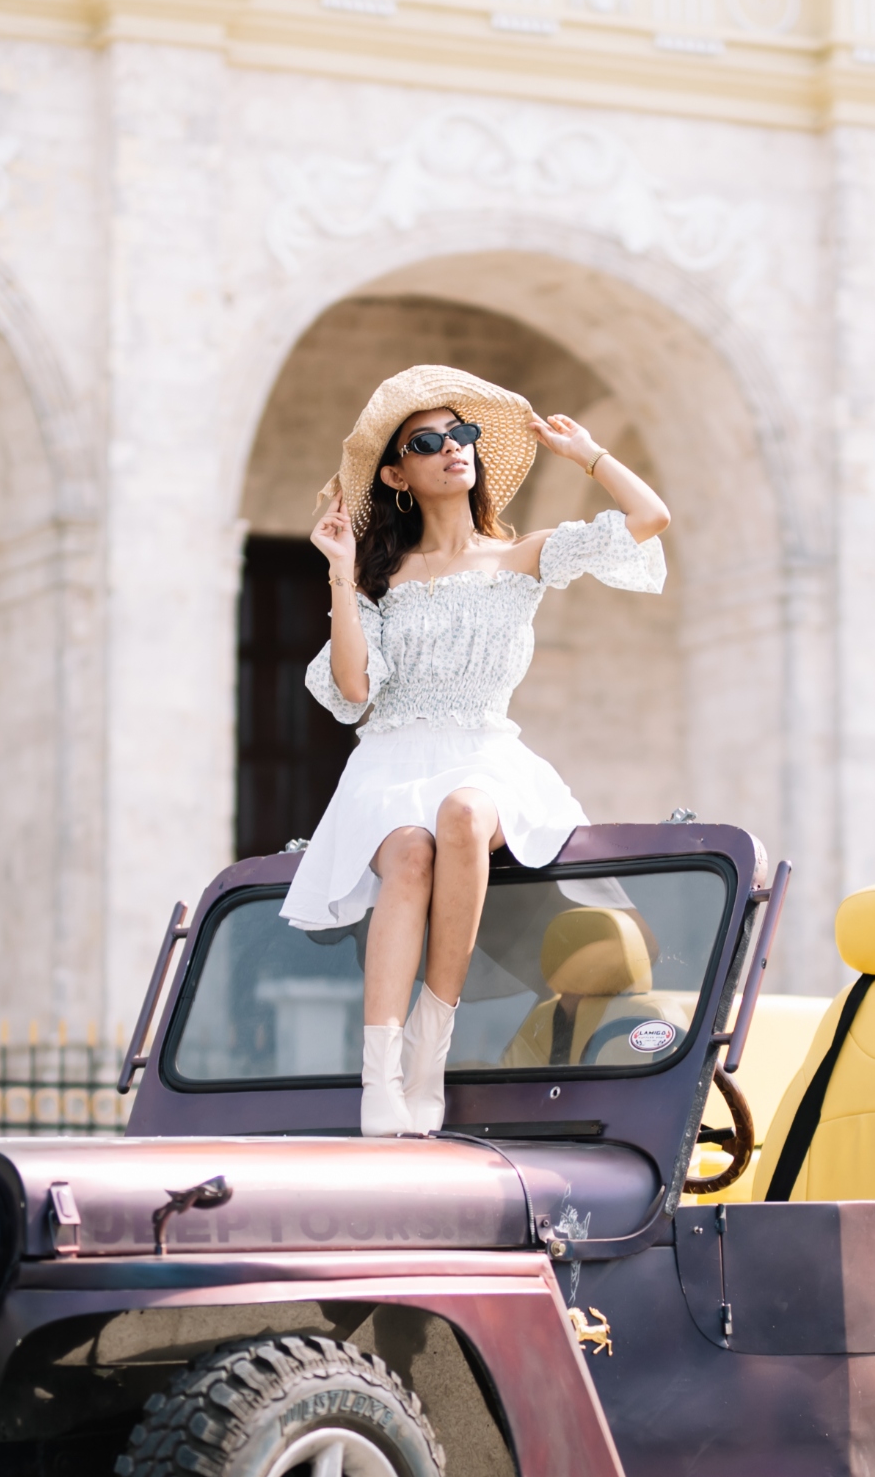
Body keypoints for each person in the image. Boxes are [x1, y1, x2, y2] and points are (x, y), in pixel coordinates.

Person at [281, 364, 673, 1136]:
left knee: (463, 814)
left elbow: (650, 517)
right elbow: (356, 691)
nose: (453, 447)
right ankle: (380, 1078)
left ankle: (431, 1049)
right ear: (398, 474)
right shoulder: (381, 579)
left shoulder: (524, 555)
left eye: (462, 433)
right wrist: (339, 574)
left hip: (485, 751)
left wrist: (588, 454)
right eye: (428, 441)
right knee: (410, 854)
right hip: (391, 755)